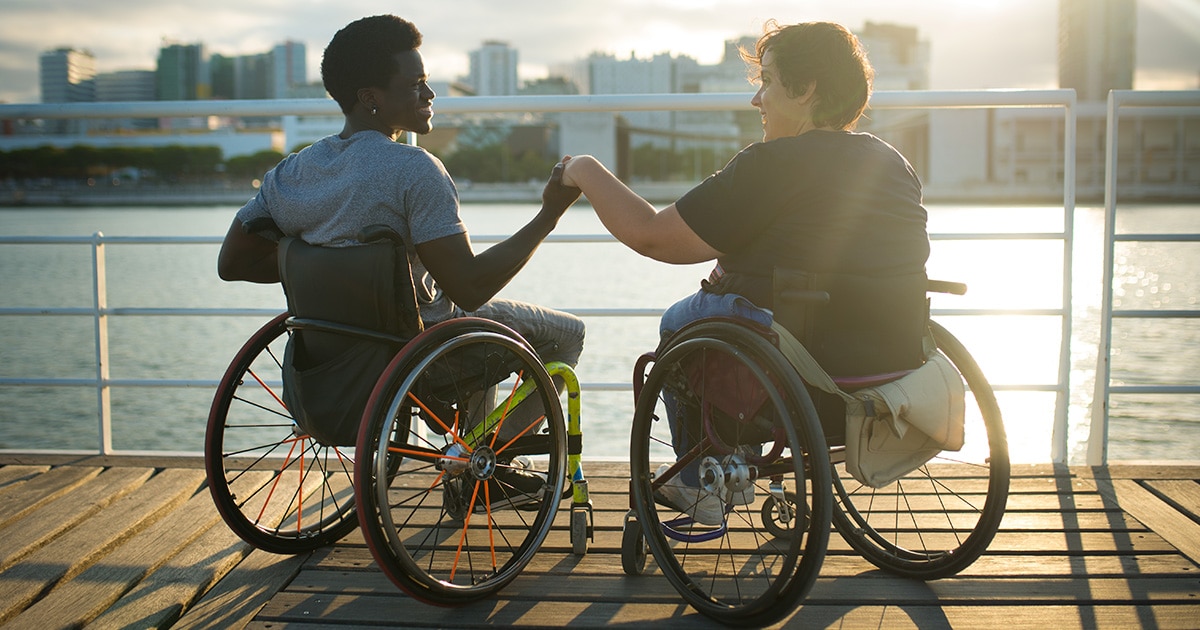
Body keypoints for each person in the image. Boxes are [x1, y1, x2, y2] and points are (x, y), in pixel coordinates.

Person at [560, 21, 930, 524]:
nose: (758, 100)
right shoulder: (891, 163)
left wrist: (582, 168)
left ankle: (699, 485)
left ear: (806, 90)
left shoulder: (771, 165)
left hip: (800, 371)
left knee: (680, 322)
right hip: (891, 371)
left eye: (769, 82)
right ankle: (735, 459)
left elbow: (650, 234)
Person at [217, 14, 585, 509]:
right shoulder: (414, 170)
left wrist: (315, 266)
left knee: (474, 325)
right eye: (415, 84)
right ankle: (484, 466)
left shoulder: (293, 173)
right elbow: (471, 287)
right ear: (371, 97)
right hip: (421, 354)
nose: (430, 94)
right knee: (566, 334)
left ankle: (472, 460)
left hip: (337, 356)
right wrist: (549, 214)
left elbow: (232, 261)